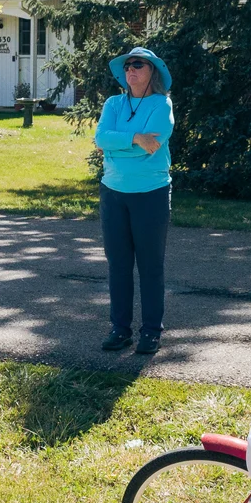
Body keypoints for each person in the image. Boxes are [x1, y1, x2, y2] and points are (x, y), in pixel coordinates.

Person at [93, 46, 174, 355]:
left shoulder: (161, 104)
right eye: (127, 65)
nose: (131, 70)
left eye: (138, 65)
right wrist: (134, 138)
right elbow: (101, 138)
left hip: (150, 195)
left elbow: (154, 142)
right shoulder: (114, 103)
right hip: (113, 193)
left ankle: (151, 332)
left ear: (151, 71)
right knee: (119, 265)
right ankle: (120, 329)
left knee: (151, 267)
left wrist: (120, 143)